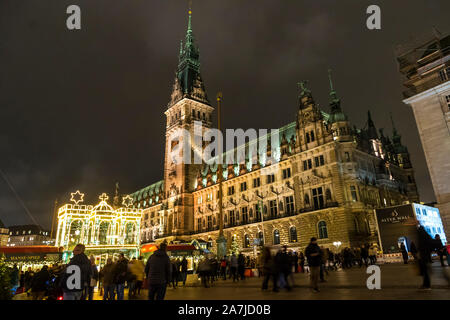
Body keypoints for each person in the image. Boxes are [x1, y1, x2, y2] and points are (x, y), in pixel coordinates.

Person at [417, 225, 435, 290]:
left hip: (424, 255)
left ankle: (427, 286)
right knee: (425, 271)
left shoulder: (422, 236)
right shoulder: (425, 235)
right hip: (425, 255)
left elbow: (421, 246)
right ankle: (425, 285)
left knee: (425, 271)